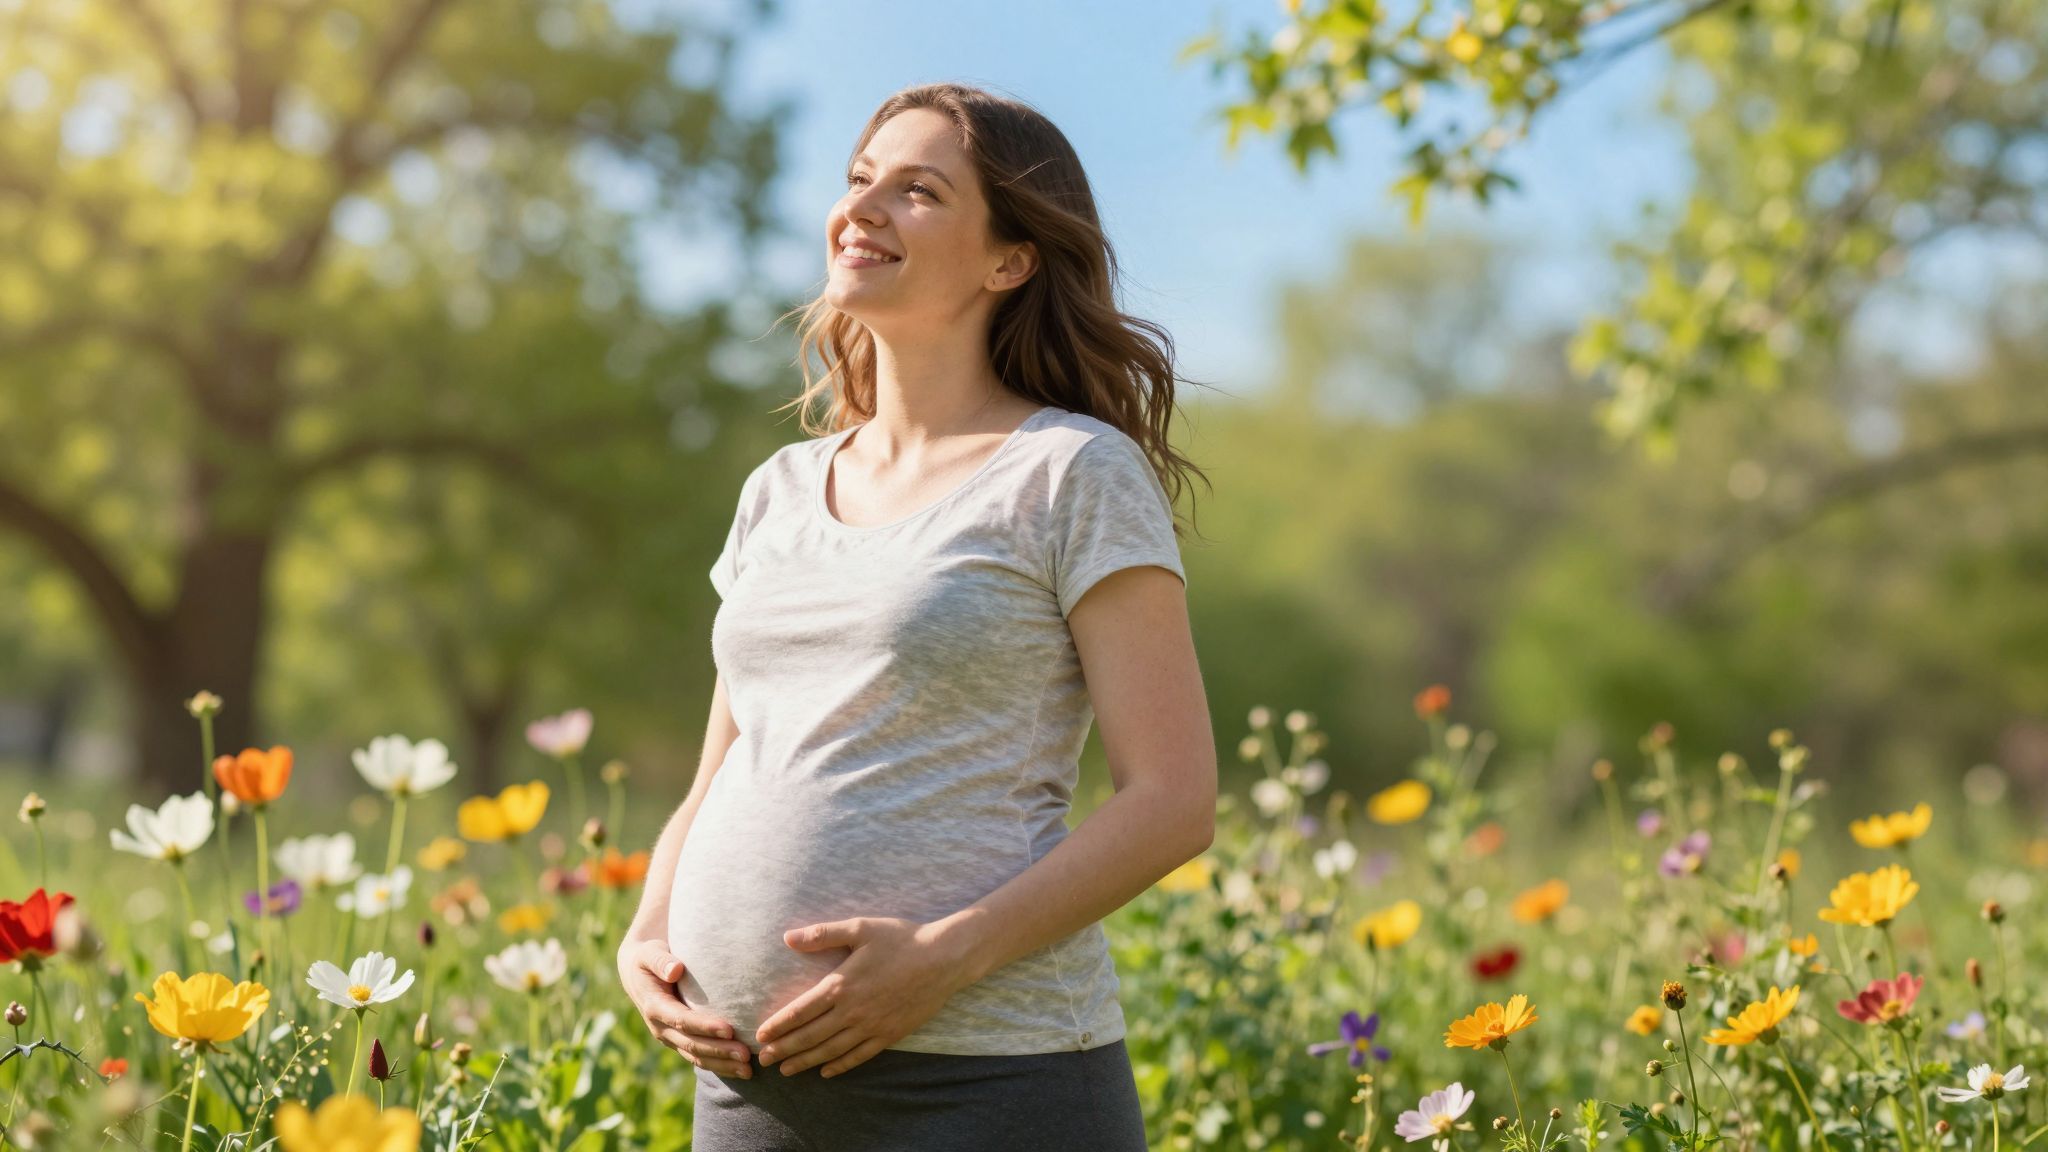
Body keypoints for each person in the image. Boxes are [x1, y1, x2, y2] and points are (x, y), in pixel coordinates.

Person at [616, 81, 1216, 1151]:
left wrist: (942, 958)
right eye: (857, 182)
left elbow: (1171, 803)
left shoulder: (1071, 472)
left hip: (989, 1082)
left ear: (1009, 259)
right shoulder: (778, 490)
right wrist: (650, 930)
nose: (864, 208)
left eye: (918, 191)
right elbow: (725, 769)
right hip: (752, 1086)